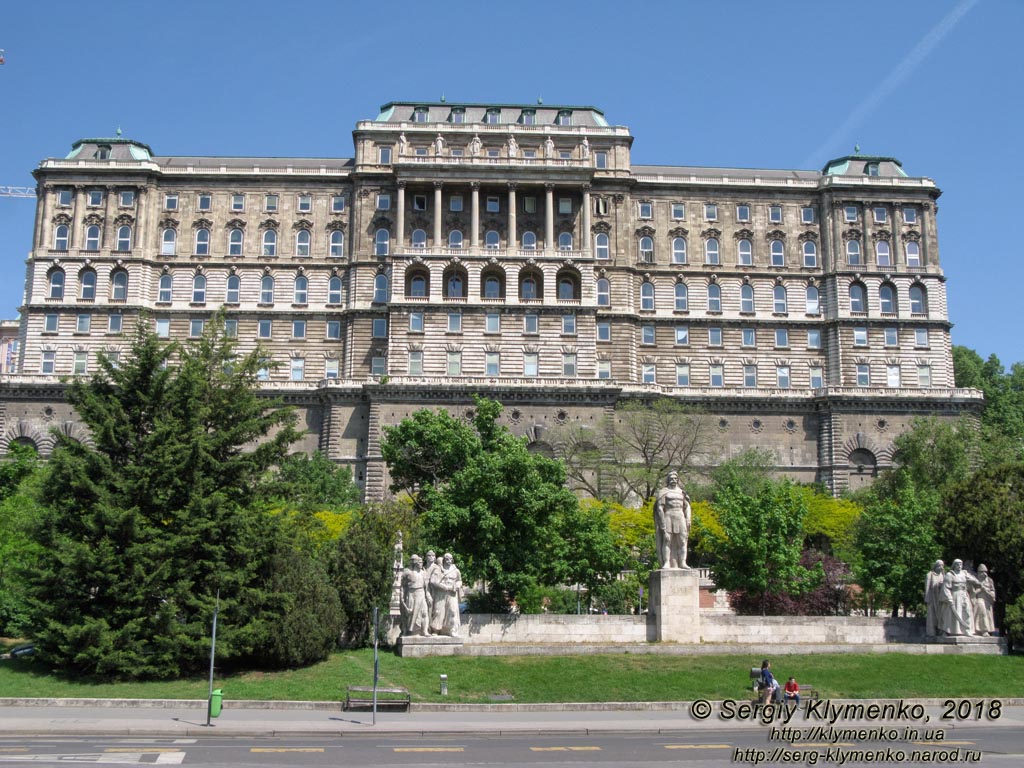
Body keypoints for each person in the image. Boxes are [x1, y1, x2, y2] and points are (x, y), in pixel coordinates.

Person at [654, 471, 692, 569]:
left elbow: (687, 507)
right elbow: (659, 508)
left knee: (682, 541)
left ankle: (683, 562)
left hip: (680, 516)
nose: (673, 480)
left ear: (678, 480)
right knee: (667, 540)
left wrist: (688, 519)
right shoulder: (663, 492)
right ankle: (667, 562)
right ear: (668, 480)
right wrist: (662, 525)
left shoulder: (682, 492)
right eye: (671, 478)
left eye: (675, 478)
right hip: (668, 516)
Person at [430, 552, 463, 636]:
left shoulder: (456, 571)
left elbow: (459, 580)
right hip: (441, 593)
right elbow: (433, 581)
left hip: (452, 593)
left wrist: (457, 586)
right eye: (447, 559)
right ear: (444, 559)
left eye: (450, 559)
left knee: (452, 611)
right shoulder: (438, 569)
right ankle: (436, 630)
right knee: (438, 611)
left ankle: (451, 629)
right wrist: (443, 586)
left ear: (452, 560)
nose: (449, 560)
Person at [941, 558, 974, 636]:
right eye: (957, 564)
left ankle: (967, 629)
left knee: (967, 612)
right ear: (954, 565)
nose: (959, 566)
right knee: (954, 614)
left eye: (961, 564)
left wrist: (976, 582)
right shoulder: (950, 575)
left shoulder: (964, 574)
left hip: (964, 595)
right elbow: (946, 587)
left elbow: (973, 580)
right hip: (955, 595)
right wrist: (949, 598)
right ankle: (948, 631)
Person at [400, 555, 430, 636]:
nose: (421, 564)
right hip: (412, 593)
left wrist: (428, 595)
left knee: (425, 613)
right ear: (416, 563)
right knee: (410, 614)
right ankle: (408, 630)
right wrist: (402, 596)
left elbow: (426, 586)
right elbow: (402, 586)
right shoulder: (407, 572)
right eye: (420, 562)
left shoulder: (424, 573)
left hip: (421, 593)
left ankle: (424, 631)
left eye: (422, 562)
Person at [970, 564, 996, 636]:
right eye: (982, 572)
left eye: (985, 572)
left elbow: (993, 592)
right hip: (977, 600)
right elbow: (972, 593)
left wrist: (987, 591)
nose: (984, 574)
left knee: (987, 615)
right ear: (978, 572)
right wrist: (980, 590)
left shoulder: (990, 581)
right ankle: (982, 630)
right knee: (982, 611)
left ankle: (985, 630)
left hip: (988, 601)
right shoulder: (974, 580)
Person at [924, 559, 945, 636]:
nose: (941, 567)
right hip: (932, 598)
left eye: (942, 565)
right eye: (939, 565)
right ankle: (931, 632)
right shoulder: (930, 575)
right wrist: (927, 598)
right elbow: (927, 587)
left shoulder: (943, 575)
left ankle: (941, 631)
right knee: (932, 616)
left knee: (942, 615)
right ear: (935, 566)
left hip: (941, 599)